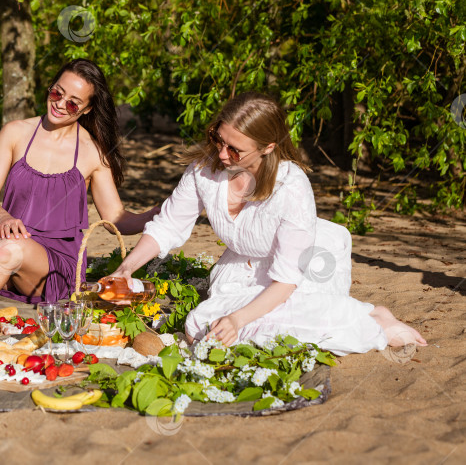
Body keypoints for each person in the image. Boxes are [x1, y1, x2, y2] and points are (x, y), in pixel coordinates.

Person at [107, 91, 426, 355]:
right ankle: (356, 313)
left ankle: (372, 318)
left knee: (271, 331)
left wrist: (237, 319)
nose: (222, 154)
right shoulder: (203, 171)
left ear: (267, 148)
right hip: (244, 269)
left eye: (235, 149)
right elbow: (168, 225)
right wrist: (126, 268)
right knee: (198, 329)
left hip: (303, 267)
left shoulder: (291, 186)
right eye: (218, 140)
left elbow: (287, 280)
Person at [0, 59, 159, 303]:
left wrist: (156, 213)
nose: (60, 104)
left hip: (55, 268)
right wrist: (3, 217)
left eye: (73, 104)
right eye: (57, 93)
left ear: (87, 109)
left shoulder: (93, 153)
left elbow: (115, 218)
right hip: (10, 242)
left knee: (9, 250)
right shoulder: (15, 132)